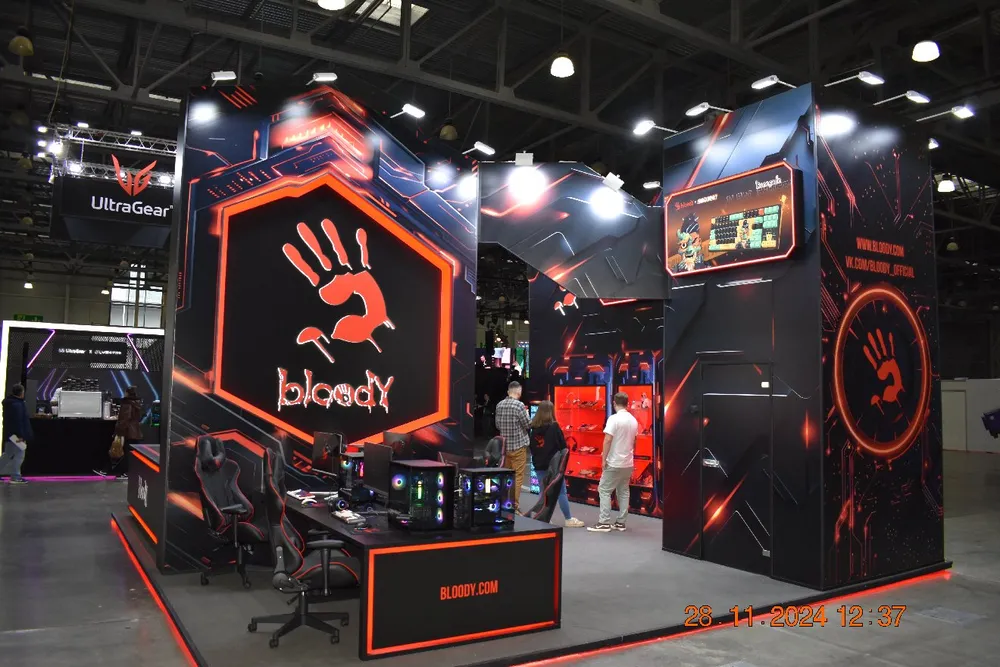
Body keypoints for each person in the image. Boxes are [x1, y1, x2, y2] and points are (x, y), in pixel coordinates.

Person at [588, 391, 638, 533]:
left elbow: (608, 440)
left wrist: (604, 459)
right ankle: (621, 522)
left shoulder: (613, 419)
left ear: (614, 403)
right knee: (623, 491)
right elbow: (635, 442)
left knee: (604, 490)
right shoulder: (633, 420)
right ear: (627, 403)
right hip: (628, 462)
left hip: (614, 461)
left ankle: (604, 522)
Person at [529, 400, 584, 527]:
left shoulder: (534, 428)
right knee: (561, 492)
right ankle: (568, 518)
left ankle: (542, 517)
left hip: (538, 465)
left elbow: (532, 447)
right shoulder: (554, 427)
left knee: (543, 493)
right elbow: (563, 447)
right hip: (554, 466)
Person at [495, 381, 530, 511]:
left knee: (506, 476)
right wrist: (527, 414)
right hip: (518, 446)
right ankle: (514, 506)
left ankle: (504, 504)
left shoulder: (499, 405)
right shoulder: (519, 406)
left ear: (508, 391)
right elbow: (528, 424)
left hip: (504, 448)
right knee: (518, 477)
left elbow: (497, 425)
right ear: (519, 392)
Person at [101, 387, 143, 480]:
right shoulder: (137, 403)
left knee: (122, 452)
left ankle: (121, 472)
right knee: (128, 453)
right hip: (135, 432)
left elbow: (124, 419)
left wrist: (118, 432)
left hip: (126, 431)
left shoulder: (127, 404)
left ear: (127, 393)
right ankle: (124, 472)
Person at [1, 384, 32, 484]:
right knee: (20, 454)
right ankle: (15, 476)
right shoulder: (18, 405)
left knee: (7, 454)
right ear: (21, 393)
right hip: (17, 435)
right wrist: (21, 435)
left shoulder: (9, 403)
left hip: (9, 433)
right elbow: (19, 421)